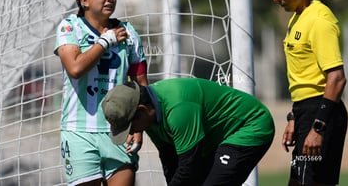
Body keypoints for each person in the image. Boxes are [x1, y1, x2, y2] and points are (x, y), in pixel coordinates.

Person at [54, 0, 148, 186]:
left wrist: (138, 127)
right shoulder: (70, 27)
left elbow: (141, 83)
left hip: (119, 132)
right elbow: (75, 68)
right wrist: (105, 42)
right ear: (84, 0)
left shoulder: (129, 32)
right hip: (79, 133)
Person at [266, 0, 348, 186]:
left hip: (320, 113)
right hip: (305, 113)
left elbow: (337, 78)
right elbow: (304, 76)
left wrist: (318, 127)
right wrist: (293, 117)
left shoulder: (320, 21)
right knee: (299, 180)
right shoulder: (297, 19)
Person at [102, 78, 275, 186]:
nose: (132, 132)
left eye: (129, 126)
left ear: (142, 110)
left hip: (250, 125)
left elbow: (189, 166)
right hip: (214, 139)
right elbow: (170, 159)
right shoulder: (150, 117)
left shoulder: (179, 109)